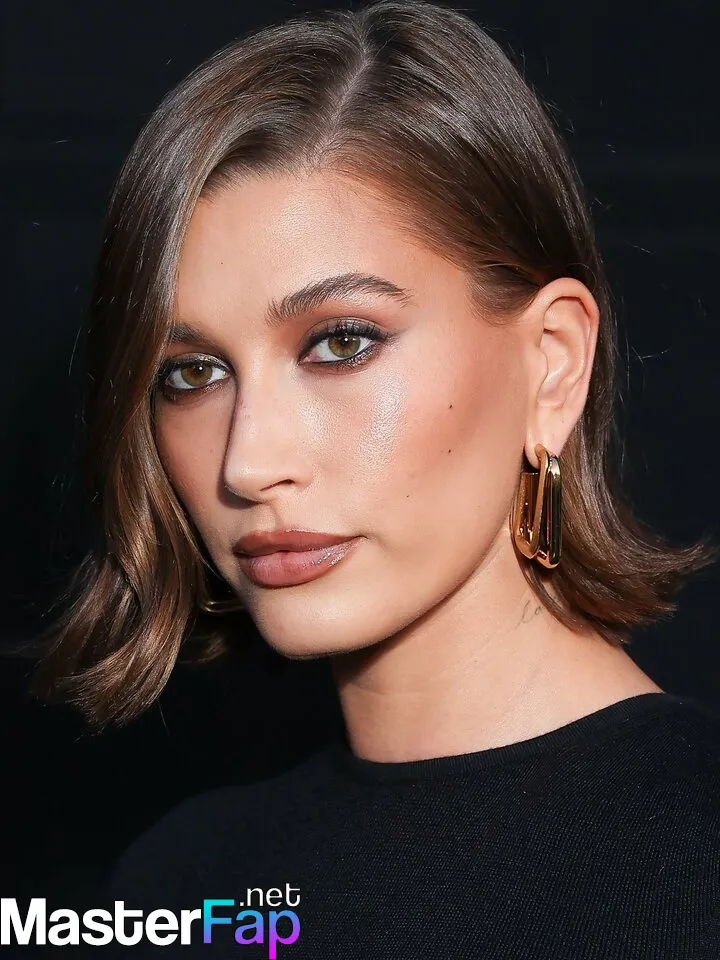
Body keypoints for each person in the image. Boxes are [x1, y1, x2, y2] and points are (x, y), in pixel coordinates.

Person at [29, 0, 720, 956]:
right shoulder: (182, 884)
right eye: (191, 374)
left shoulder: (693, 864)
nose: (248, 462)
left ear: (552, 363)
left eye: (341, 343)